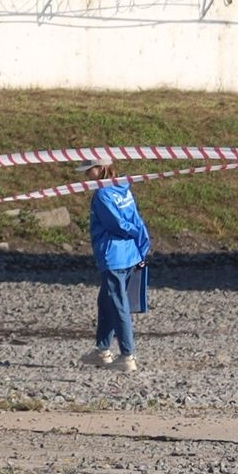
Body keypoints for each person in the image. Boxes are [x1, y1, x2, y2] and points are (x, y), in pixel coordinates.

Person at [80, 159, 151, 372]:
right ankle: (102, 349)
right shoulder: (123, 188)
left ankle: (127, 355)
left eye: (89, 170)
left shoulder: (102, 194)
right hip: (130, 253)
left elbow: (116, 223)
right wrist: (140, 238)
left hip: (114, 255)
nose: (86, 176)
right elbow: (134, 217)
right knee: (106, 301)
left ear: (101, 169)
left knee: (118, 304)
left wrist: (132, 232)